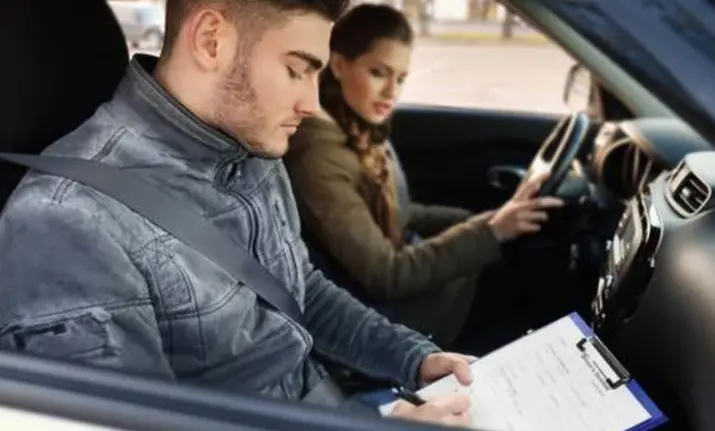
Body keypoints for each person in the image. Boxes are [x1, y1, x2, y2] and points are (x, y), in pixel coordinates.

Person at [0, 0, 473, 426]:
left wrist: (412, 358)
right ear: (211, 40)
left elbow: (299, 290)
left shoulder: (250, 148)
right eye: (296, 69)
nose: (311, 103)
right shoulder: (66, 223)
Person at [284, 4, 564, 351]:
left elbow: (400, 213)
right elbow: (387, 275)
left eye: (400, 78)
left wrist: (484, 222)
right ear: (339, 65)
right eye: (378, 72)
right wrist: (490, 232)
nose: (391, 92)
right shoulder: (318, 156)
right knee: (543, 286)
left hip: (417, 285)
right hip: (400, 319)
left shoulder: (360, 127)